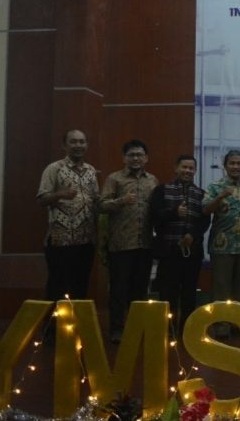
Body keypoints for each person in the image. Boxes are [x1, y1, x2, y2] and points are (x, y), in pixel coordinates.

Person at [99, 139, 158, 343]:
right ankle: (117, 330)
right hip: (121, 244)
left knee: (140, 290)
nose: (135, 158)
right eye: (131, 155)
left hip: (145, 244)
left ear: (146, 158)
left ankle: (137, 329)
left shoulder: (153, 180)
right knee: (118, 290)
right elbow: (101, 205)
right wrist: (121, 201)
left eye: (139, 155)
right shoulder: (114, 179)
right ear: (124, 158)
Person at [150, 154, 210, 335]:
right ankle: (168, 329)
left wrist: (193, 235)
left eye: (191, 168)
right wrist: (174, 212)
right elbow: (155, 217)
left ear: (195, 170)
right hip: (168, 251)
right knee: (168, 292)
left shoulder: (201, 194)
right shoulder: (161, 190)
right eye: (184, 167)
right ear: (176, 168)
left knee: (189, 293)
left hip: (193, 252)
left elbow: (205, 221)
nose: (187, 171)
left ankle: (187, 330)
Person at [37, 129, 99, 301]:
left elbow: (95, 199)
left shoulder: (91, 170)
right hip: (60, 240)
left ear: (87, 145)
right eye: (73, 141)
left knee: (81, 287)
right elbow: (41, 199)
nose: (78, 145)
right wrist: (60, 194)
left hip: (86, 239)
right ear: (64, 145)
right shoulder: (54, 168)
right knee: (58, 287)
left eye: (82, 142)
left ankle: (76, 319)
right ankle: (54, 319)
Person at [203, 150, 240, 339]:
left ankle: (239, 324)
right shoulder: (215, 186)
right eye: (232, 163)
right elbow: (205, 210)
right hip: (222, 245)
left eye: (239, 163)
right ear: (225, 166)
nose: (236, 166)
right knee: (221, 287)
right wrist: (220, 197)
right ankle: (221, 325)